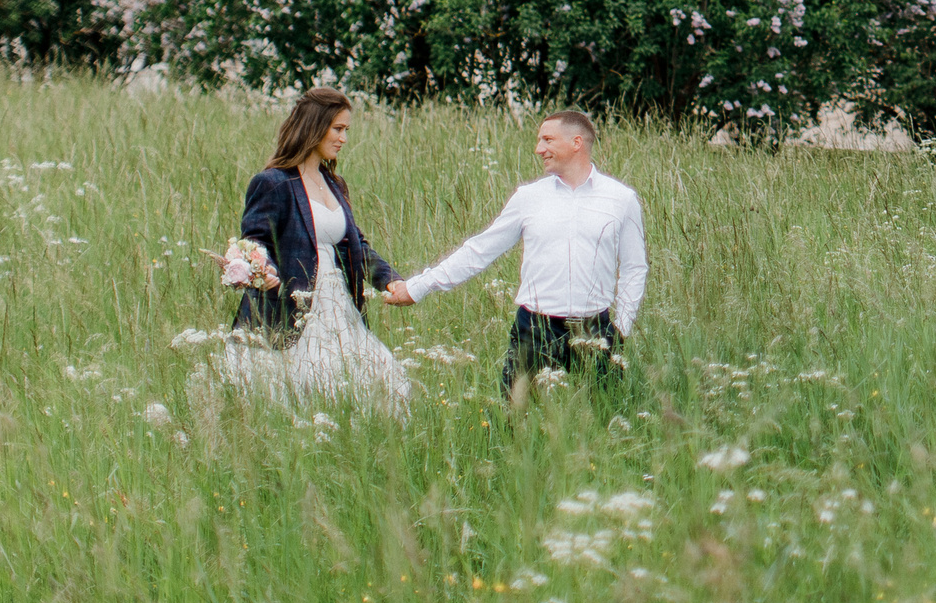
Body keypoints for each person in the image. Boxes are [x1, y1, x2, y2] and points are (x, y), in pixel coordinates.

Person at [384, 109, 646, 397]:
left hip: (596, 331)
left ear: (576, 143)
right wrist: (417, 287)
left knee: (602, 417)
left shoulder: (621, 199)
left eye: (547, 140)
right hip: (534, 330)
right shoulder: (528, 198)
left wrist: (621, 328)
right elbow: (479, 251)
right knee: (514, 417)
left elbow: (634, 267)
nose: (539, 149)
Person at [219, 86, 411, 416]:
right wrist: (264, 270)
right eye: (338, 129)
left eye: (346, 130)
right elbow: (255, 241)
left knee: (385, 383)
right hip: (291, 308)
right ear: (314, 126)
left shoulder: (335, 184)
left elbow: (357, 246)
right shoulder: (273, 182)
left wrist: (391, 280)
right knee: (308, 393)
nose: (343, 139)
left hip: (340, 307)